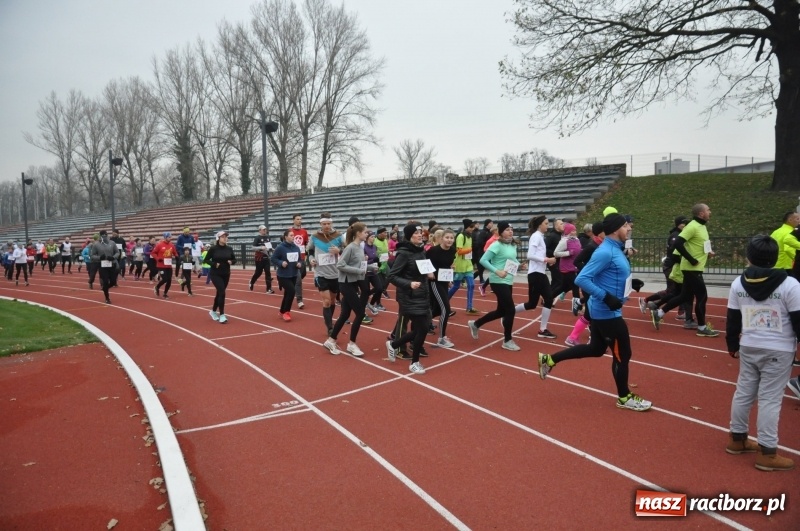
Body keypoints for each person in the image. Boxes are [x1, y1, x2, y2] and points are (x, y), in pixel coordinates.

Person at [537, 213, 653, 412]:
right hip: (607, 313)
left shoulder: (615, 250)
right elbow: (581, 279)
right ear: (616, 229)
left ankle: (550, 359)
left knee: (596, 349)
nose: (629, 229)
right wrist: (606, 297)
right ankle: (624, 397)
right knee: (623, 355)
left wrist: (630, 283)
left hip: (604, 311)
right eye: (626, 226)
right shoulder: (605, 252)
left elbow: (610, 275)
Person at [725, 235, 797, 471]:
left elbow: (733, 317)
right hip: (779, 348)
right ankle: (767, 451)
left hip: (749, 345)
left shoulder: (738, 283)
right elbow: (798, 321)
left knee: (744, 391)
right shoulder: (790, 285)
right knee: (770, 398)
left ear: (749, 257)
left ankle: (737, 439)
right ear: (776, 257)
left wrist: (732, 345)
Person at [651, 203, 718, 337]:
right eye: (708, 210)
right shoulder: (692, 226)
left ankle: (659, 313)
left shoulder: (702, 227)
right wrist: (691, 259)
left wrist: (707, 253)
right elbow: (677, 243)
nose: (710, 212)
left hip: (694, 268)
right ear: (701, 213)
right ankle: (702, 327)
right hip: (692, 269)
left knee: (685, 296)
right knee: (702, 297)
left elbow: (697, 246)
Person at [467, 221, 521, 351]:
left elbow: (512, 260)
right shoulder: (496, 245)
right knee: (510, 309)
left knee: (501, 311)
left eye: (511, 229)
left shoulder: (513, 244)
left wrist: (519, 264)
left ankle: (476, 324)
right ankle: (507, 340)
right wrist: (497, 271)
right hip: (497, 280)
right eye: (507, 229)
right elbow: (483, 260)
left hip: (508, 280)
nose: (510, 231)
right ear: (501, 232)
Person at [324, 222, 376, 356]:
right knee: (360, 314)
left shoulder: (359, 247)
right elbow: (340, 265)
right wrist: (359, 271)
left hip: (352, 283)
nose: (367, 234)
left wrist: (370, 267)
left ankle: (331, 340)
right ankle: (352, 344)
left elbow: (358, 266)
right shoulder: (350, 248)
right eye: (365, 232)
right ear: (358, 233)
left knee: (345, 314)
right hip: (345, 283)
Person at [386, 223, 432, 374]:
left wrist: (430, 274)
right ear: (409, 235)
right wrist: (409, 283)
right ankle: (414, 362)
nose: (420, 235)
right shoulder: (403, 253)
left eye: (421, 233)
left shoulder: (421, 251)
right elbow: (392, 276)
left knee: (421, 328)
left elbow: (423, 270)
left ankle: (393, 344)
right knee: (423, 328)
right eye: (417, 233)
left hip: (423, 294)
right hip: (409, 296)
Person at [514, 215, 557, 339]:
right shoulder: (536, 236)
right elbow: (530, 255)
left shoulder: (540, 237)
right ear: (539, 225)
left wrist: (547, 260)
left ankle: (543, 329)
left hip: (539, 273)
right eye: (546, 223)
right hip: (535, 274)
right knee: (537, 302)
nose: (547, 225)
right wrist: (546, 259)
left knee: (542, 301)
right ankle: (509, 313)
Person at [564, 222, 604, 346]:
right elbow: (577, 261)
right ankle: (590, 338)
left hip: (596, 282)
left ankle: (573, 337)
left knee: (590, 312)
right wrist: (589, 271)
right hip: (588, 282)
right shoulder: (591, 246)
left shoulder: (602, 246)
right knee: (592, 311)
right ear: (599, 233)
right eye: (605, 231)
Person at [307, 213, 345, 333]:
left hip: (335, 273)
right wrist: (311, 259)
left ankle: (329, 320)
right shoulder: (314, 236)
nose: (327, 226)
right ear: (320, 224)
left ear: (331, 223)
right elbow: (310, 251)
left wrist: (339, 250)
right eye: (324, 224)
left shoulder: (338, 236)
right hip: (320, 273)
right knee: (327, 301)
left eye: (328, 223)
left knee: (333, 300)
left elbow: (347, 250)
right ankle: (330, 327)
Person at [427, 228, 457, 348]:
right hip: (434, 282)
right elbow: (424, 262)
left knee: (438, 310)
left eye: (451, 238)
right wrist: (429, 272)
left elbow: (447, 266)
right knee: (446, 308)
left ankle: (421, 322)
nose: (449, 240)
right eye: (447, 237)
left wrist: (449, 279)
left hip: (444, 281)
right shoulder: (434, 251)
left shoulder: (452, 250)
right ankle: (441, 338)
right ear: (442, 238)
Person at [448, 218, 480, 315]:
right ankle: (443, 301)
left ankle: (469, 307)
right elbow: (459, 250)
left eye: (473, 227)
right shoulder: (461, 236)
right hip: (460, 266)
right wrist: (469, 250)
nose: (472, 229)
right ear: (466, 227)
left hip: (468, 265)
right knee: (456, 286)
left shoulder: (470, 237)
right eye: (471, 227)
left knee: (471, 285)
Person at [272, 229, 303, 321]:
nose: (293, 237)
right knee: (292, 291)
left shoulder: (296, 247)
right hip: (283, 275)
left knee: (287, 294)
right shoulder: (280, 247)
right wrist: (281, 263)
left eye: (293, 235)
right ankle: (287, 312)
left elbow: (300, 259)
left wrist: (299, 264)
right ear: (286, 237)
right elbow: (273, 258)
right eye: (291, 235)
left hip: (293, 274)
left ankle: (281, 311)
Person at [205, 231, 237, 322]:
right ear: (218, 238)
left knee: (219, 293)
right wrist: (214, 264)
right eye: (223, 237)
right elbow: (206, 260)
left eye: (226, 236)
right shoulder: (213, 249)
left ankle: (213, 311)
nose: (225, 238)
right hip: (215, 274)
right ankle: (222, 314)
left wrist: (232, 262)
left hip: (226, 273)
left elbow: (234, 259)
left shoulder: (229, 248)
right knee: (222, 292)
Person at [91, 230, 118, 304]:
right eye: (102, 235)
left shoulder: (112, 243)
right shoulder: (96, 245)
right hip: (102, 265)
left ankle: (105, 288)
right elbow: (92, 256)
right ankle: (107, 297)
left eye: (105, 235)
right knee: (105, 281)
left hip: (111, 264)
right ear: (100, 236)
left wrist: (113, 257)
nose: (104, 236)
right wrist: (100, 257)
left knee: (113, 282)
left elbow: (117, 252)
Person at [769, 211, 800, 276]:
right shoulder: (791, 233)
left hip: (775, 265)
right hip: (787, 267)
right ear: (790, 220)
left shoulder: (776, 232)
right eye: (798, 219)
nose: (799, 221)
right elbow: (788, 249)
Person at [289, 214, 309, 309]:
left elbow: (306, 244)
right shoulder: (290, 231)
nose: (299, 221)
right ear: (293, 220)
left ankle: (290, 282)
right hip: (293, 259)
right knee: (298, 280)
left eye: (300, 219)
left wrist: (307, 254)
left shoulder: (304, 231)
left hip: (302, 258)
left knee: (303, 274)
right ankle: (299, 300)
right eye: (297, 219)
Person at [151, 232, 177, 299]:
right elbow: (153, 253)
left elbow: (175, 252)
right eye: (169, 237)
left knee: (169, 280)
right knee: (165, 279)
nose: (170, 238)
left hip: (168, 265)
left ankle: (165, 293)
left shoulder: (172, 245)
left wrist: (177, 256)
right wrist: (157, 258)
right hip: (161, 265)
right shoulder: (159, 245)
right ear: (165, 237)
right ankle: (157, 287)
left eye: (170, 237)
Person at [249, 224, 274, 293]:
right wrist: (260, 247)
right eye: (263, 230)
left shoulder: (268, 237)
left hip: (266, 257)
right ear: (259, 231)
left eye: (265, 229)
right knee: (258, 272)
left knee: (268, 273)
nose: (265, 231)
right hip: (259, 258)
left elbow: (269, 246)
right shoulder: (257, 238)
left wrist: (272, 249)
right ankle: (252, 281)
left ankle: (269, 288)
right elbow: (253, 247)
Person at [473, 219, 493, 286]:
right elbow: (479, 243)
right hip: (482, 253)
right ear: (487, 224)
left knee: (491, 269)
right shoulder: (483, 232)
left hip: (489, 253)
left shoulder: (490, 232)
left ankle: (491, 284)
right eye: (490, 223)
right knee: (481, 269)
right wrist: (488, 244)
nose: (492, 224)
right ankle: (471, 279)